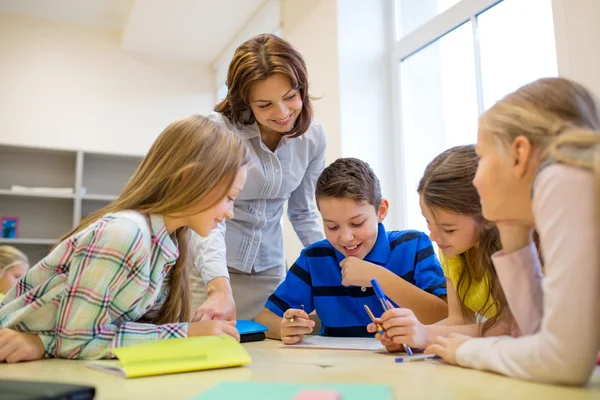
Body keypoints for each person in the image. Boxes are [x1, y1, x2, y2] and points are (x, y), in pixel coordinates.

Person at [0, 115, 248, 362]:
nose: (230, 212)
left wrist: (43, 343)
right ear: (189, 179)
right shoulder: (125, 233)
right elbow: (76, 342)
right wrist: (184, 334)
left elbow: (99, 334)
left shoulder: (165, 245)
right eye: (229, 197)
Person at [425, 77, 600, 385]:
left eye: (480, 157)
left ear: (519, 153)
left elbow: (562, 361)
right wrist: (513, 230)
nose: (475, 181)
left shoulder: (563, 179)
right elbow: (535, 332)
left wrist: (468, 350)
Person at [190, 34, 327, 321]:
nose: (283, 113)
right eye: (265, 105)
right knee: (210, 352)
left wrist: (329, 263)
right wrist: (218, 287)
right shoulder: (218, 132)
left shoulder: (313, 137)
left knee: (269, 354)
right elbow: (208, 217)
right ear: (244, 101)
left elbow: (303, 213)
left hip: (269, 269)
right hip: (211, 269)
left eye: (290, 97)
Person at [255, 158, 448, 344]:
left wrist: (377, 277)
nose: (346, 237)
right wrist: (284, 327)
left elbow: (445, 315)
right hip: (337, 369)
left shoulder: (413, 246)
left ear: (381, 211)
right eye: (332, 227)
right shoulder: (314, 259)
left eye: (357, 223)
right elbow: (264, 318)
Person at [368, 145, 514, 352]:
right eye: (428, 223)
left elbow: (511, 329)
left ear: (487, 217)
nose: (433, 237)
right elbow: (459, 319)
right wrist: (411, 334)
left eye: (448, 229)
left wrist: (425, 335)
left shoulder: (513, 249)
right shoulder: (454, 251)